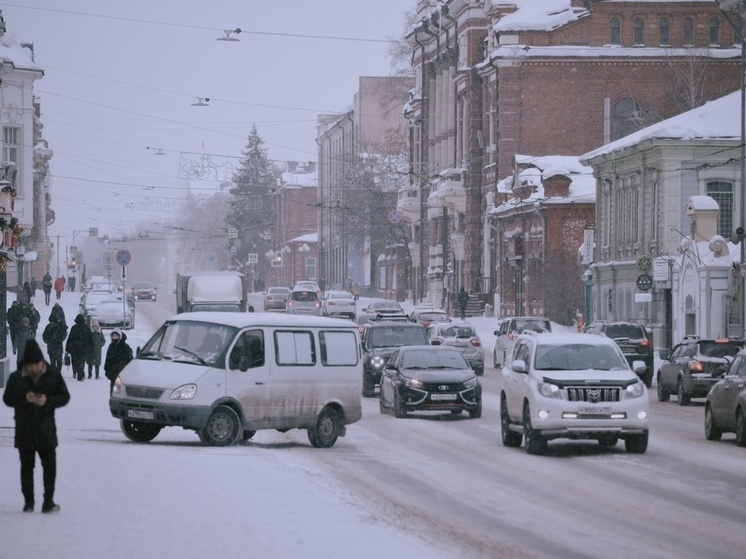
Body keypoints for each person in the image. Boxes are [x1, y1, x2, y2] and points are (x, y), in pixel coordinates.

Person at [3, 339, 70, 513]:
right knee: (26, 467)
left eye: (37, 365)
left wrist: (47, 401)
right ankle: (29, 502)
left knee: (49, 467)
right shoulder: (17, 377)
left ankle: (48, 501)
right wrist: (24, 399)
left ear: (42, 361)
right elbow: (7, 399)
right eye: (30, 365)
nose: (34, 369)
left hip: (46, 428)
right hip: (24, 428)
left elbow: (64, 397)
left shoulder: (53, 375)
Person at [104, 329, 133, 395]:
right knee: (113, 391)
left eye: (116, 336)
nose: (114, 338)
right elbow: (108, 359)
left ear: (119, 336)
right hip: (112, 372)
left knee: (119, 391)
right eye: (113, 336)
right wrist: (107, 369)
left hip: (122, 372)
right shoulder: (111, 346)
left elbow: (130, 359)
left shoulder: (125, 347)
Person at [65, 314, 92, 382]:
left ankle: (80, 374)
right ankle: (81, 373)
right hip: (84, 348)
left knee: (75, 362)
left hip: (75, 348)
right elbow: (90, 338)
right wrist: (90, 347)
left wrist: (67, 348)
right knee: (81, 361)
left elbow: (70, 338)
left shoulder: (74, 327)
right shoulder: (87, 327)